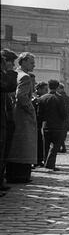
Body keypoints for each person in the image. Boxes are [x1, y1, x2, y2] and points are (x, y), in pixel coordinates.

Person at [5, 52, 37, 184]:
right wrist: (31, 111)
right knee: (24, 146)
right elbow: (22, 97)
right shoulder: (25, 77)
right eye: (31, 62)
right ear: (23, 62)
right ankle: (21, 175)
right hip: (22, 116)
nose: (33, 65)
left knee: (14, 146)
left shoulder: (15, 74)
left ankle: (12, 173)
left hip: (12, 113)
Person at [38, 80, 67, 171]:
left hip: (46, 125)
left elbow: (39, 114)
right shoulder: (60, 98)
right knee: (55, 146)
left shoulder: (42, 98)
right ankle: (50, 164)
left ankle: (46, 161)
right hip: (57, 126)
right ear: (57, 87)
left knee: (46, 145)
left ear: (49, 87)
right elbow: (63, 113)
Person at [0, 49, 18, 194]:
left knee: (4, 152)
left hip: (5, 120)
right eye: (11, 62)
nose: (12, 65)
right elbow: (8, 86)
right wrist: (10, 72)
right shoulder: (4, 75)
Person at [32, 81, 49, 168]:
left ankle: (38, 160)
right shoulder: (34, 98)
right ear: (39, 89)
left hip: (39, 123)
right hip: (33, 123)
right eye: (45, 89)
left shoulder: (40, 98)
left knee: (39, 142)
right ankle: (35, 160)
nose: (47, 91)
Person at [57, 83, 69, 153]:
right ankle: (62, 147)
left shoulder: (58, 97)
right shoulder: (68, 98)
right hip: (66, 118)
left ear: (60, 89)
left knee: (59, 133)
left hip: (60, 118)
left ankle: (61, 147)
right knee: (63, 134)